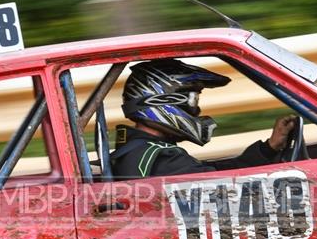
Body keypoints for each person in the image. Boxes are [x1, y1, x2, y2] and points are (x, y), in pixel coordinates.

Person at [110, 59, 297, 179]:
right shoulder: (162, 160)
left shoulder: (141, 151)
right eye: (193, 100)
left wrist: (269, 148)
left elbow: (211, 171)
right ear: (162, 101)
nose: (197, 110)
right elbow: (225, 186)